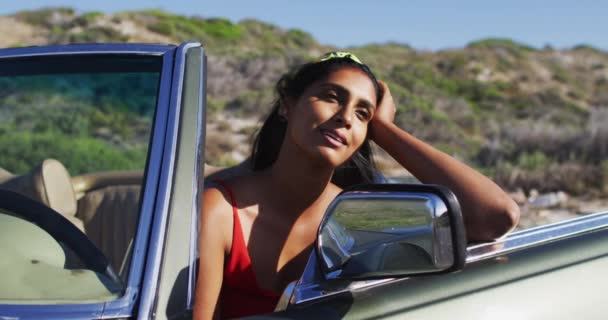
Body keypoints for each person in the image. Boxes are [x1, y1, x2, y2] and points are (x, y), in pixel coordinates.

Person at [194, 52, 520, 319]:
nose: (346, 117)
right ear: (286, 105)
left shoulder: (363, 217)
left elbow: (496, 216)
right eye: (332, 98)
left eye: (362, 113)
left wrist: (386, 131)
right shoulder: (221, 210)